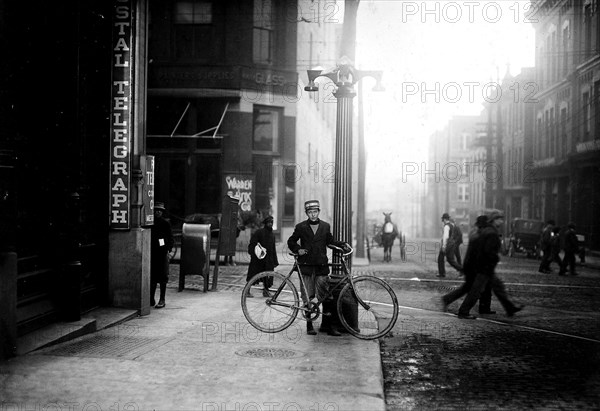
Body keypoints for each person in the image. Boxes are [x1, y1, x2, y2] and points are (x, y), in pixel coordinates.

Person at [287, 200, 345, 336]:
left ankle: (330, 327)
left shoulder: (325, 226)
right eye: (310, 212)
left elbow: (330, 242)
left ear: (319, 212)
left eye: (315, 212)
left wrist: (342, 244)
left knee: (326, 296)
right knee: (307, 297)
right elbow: (291, 241)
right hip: (306, 266)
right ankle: (309, 326)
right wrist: (298, 249)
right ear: (307, 213)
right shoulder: (301, 227)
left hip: (321, 267)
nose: (313, 215)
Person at [457, 210, 524, 319]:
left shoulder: (489, 230)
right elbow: (488, 251)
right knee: (476, 290)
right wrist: (495, 258)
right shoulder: (491, 232)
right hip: (485, 267)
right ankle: (463, 311)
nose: (502, 221)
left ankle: (510, 308)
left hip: (486, 266)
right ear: (494, 220)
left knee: (498, 287)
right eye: (499, 219)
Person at [441, 215, 494, 314]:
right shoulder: (479, 234)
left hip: (471, 265)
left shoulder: (475, 233)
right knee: (475, 289)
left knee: (468, 287)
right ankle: (464, 310)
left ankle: (448, 300)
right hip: (475, 266)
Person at [245, 215, 278, 297]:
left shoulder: (272, 235)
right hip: (258, 259)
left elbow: (273, 248)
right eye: (269, 223)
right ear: (265, 223)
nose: (270, 224)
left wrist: (274, 260)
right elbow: (253, 243)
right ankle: (247, 291)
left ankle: (266, 291)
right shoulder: (259, 232)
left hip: (268, 259)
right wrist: (253, 253)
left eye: (271, 223)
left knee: (267, 275)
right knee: (253, 275)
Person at [151, 202, 174, 309]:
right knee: (152, 276)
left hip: (162, 253)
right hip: (152, 253)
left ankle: (162, 299)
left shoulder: (165, 223)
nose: (158, 212)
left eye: (160, 210)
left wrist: (168, 250)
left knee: (163, 277)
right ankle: (151, 298)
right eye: (156, 210)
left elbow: (170, 238)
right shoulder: (150, 223)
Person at [437, 213, 463, 278]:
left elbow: (445, 237)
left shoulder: (446, 226)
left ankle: (442, 273)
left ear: (445, 219)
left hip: (447, 245)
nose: (442, 220)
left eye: (443, 219)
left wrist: (444, 246)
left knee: (440, 259)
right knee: (451, 260)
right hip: (451, 245)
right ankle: (462, 270)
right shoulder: (451, 225)